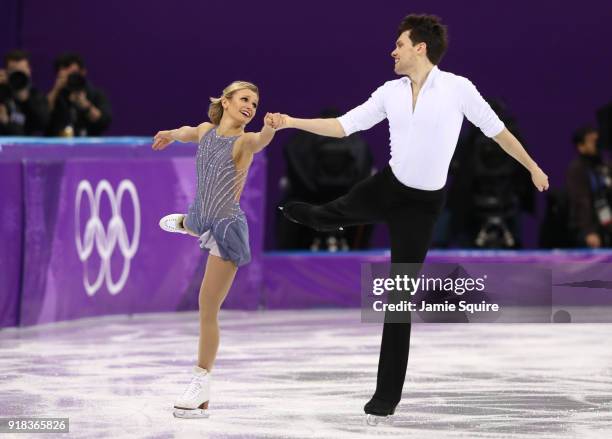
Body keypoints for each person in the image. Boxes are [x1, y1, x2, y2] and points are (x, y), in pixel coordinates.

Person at [270, 14, 549, 423]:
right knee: (329, 214)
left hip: (422, 208)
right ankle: (313, 219)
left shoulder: (459, 89)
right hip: (387, 187)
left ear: (420, 47)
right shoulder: (390, 91)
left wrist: (532, 166)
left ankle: (385, 398)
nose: (392, 51)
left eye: (399, 44)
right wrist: (292, 122)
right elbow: (345, 126)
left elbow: (498, 131)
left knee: (398, 300)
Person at [152, 81, 276, 418]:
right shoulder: (207, 131)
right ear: (226, 101)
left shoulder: (244, 142)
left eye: (255, 102)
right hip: (203, 214)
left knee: (207, 306)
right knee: (197, 217)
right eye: (245, 99)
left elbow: (260, 141)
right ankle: (189, 224)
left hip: (225, 229)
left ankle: (201, 379)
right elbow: (186, 131)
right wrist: (168, 133)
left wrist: (269, 128)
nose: (250, 105)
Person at [566, 126, 612, 247]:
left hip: (607, 225)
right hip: (589, 229)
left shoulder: (604, 164)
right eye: (592, 141)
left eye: (597, 140)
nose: (596, 144)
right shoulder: (577, 169)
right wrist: (589, 231)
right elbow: (580, 202)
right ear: (581, 146)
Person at [46, 53, 112, 136]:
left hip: (88, 146)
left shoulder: (96, 94)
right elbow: (42, 116)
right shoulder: (55, 96)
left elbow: (104, 121)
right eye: (67, 75)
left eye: (73, 74)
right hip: (57, 146)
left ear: (83, 72)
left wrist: (86, 106)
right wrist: (56, 90)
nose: (70, 78)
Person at [0, 50, 49, 135]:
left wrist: (26, 99)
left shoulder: (36, 96)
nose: (18, 74)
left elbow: (44, 125)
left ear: (29, 71)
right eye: (13, 70)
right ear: (6, 72)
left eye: (22, 70)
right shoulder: (2, 92)